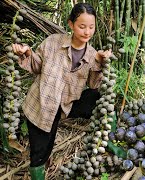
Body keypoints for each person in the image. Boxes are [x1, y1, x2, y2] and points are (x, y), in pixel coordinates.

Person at [12, 3, 111, 179]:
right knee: (40, 151)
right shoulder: (53, 42)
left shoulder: (92, 54)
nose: (87, 32)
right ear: (71, 24)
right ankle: (39, 170)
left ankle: (110, 140)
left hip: (66, 104)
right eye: (82, 26)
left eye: (91, 27)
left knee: (100, 97)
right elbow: (36, 66)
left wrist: (100, 64)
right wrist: (27, 53)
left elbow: (94, 84)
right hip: (41, 105)